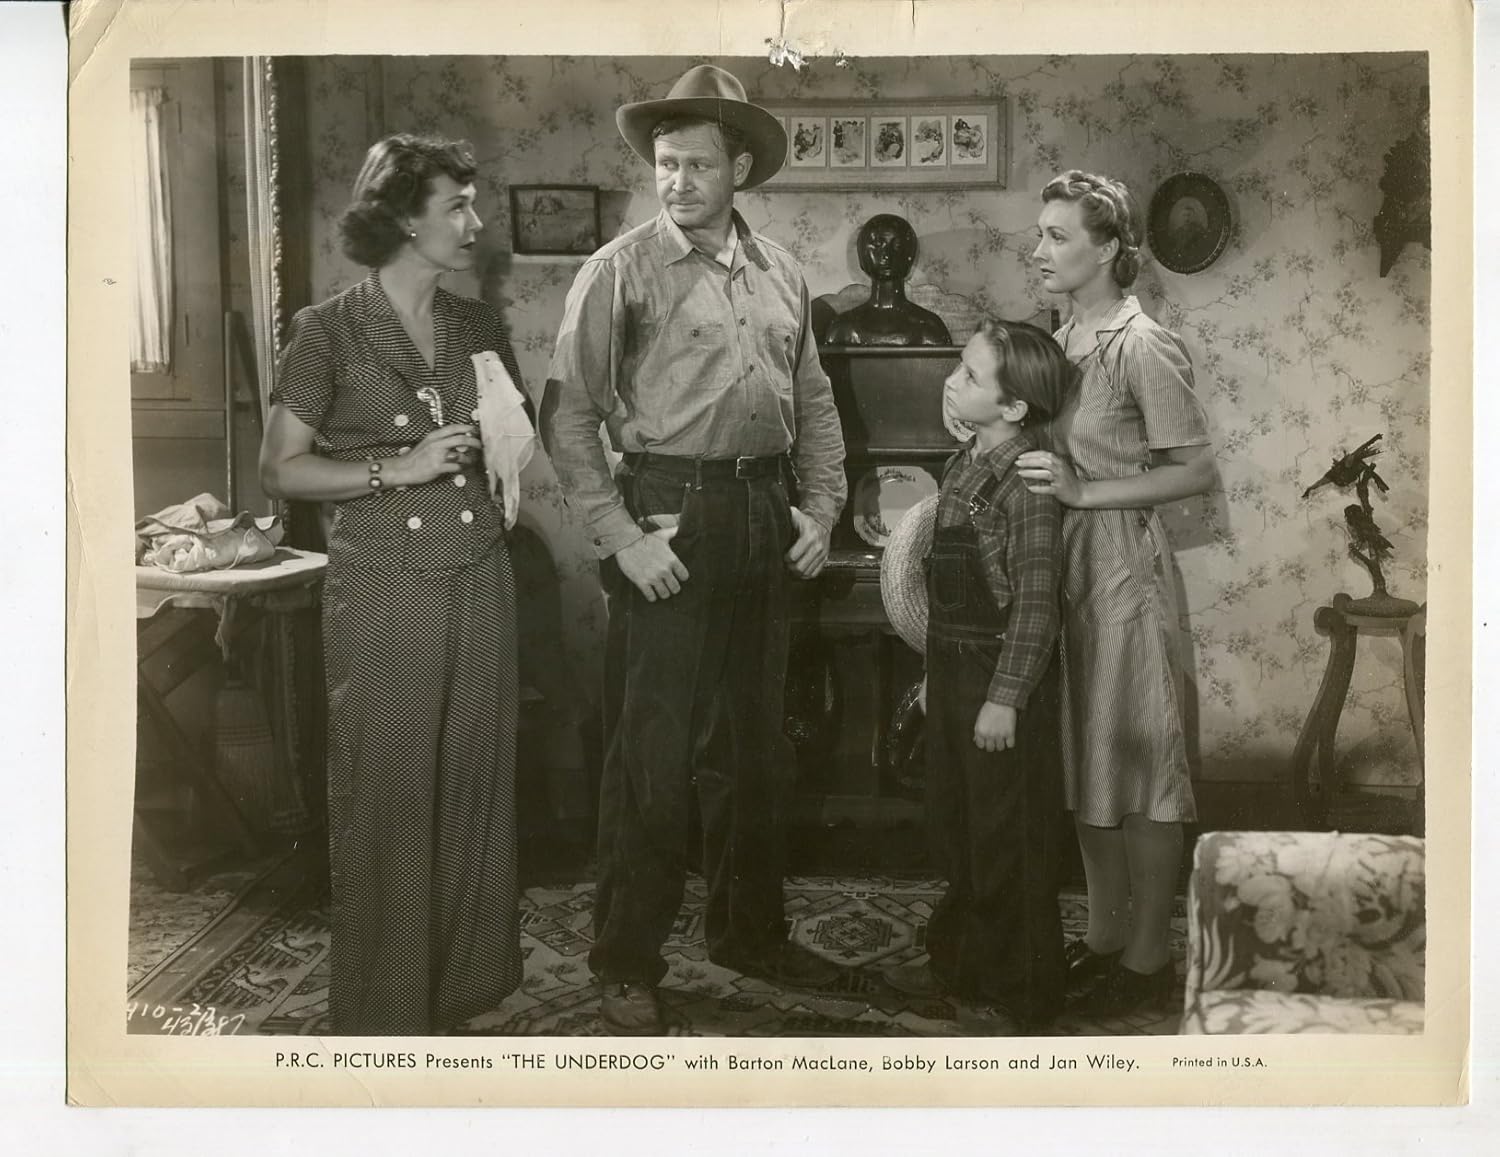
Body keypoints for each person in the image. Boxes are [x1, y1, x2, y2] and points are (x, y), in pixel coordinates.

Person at [540, 64, 847, 1036]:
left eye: (698, 164)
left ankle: (749, 932)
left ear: (740, 168)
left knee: (754, 748)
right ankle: (625, 958)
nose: (677, 180)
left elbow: (813, 402)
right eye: (666, 164)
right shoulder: (618, 270)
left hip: (764, 514)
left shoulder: (783, 270)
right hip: (667, 517)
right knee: (652, 755)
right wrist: (622, 537)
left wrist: (820, 507)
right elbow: (568, 417)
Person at [259, 134, 527, 1035]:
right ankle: (384, 1013)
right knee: (389, 792)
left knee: (474, 784)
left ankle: (460, 991)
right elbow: (280, 469)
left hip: (479, 572)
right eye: (456, 205)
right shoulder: (327, 330)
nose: (474, 222)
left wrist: (514, 445)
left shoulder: (478, 326)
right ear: (405, 219)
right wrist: (396, 469)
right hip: (384, 588)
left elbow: (508, 433)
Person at [1016, 170, 1217, 1017]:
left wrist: (1084, 491)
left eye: (1057, 235)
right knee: (1086, 760)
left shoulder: (1142, 344)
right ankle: (1103, 937)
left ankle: (1147, 956)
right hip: (1062, 569)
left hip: (1124, 574)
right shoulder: (1061, 339)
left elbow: (1196, 470)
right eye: (1040, 233)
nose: (1038, 249)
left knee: (1139, 768)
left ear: (1106, 250)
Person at [882, 320, 1071, 1035]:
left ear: (1015, 406)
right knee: (958, 825)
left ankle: (1015, 991)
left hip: (1001, 680)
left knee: (1005, 840)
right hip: (956, 671)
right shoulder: (965, 461)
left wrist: (1005, 698)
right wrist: (937, 675)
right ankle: (960, 963)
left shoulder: (1029, 485)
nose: (952, 381)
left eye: (969, 374)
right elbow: (946, 594)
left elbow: (1036, 605)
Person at [824, 214, 952, 346]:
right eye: (878, 244)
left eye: (897, 246)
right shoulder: (843, 328)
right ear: (862, 255)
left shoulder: (929, 326)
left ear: (909, 256)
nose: (887, 255)